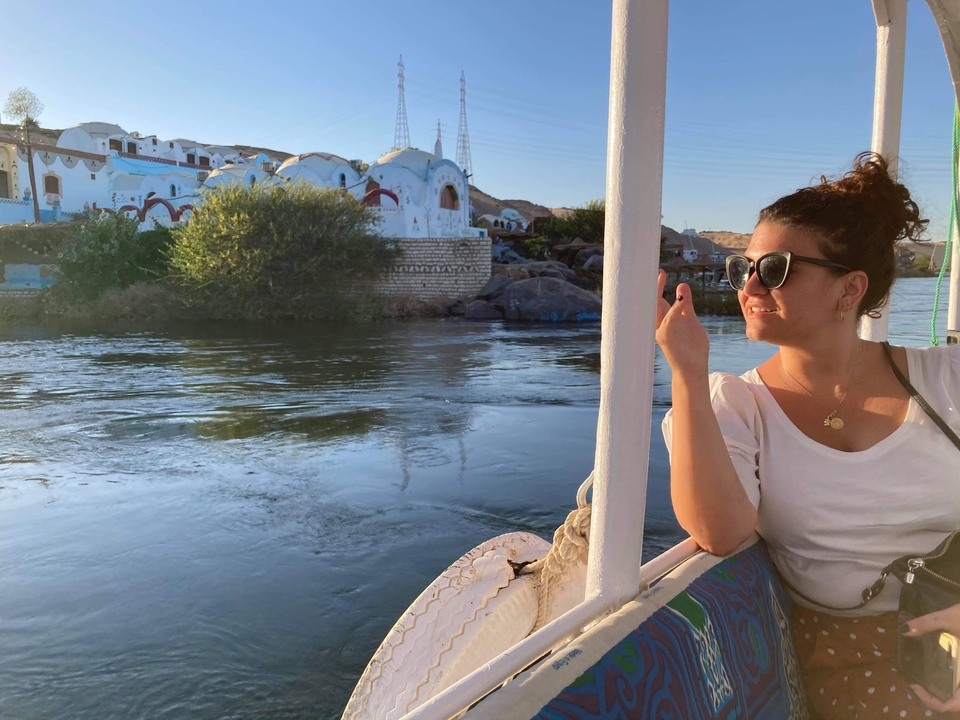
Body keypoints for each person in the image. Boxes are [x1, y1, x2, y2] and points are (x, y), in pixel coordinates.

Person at [657, 152, 960, 719]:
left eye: (773, 269)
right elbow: (719, 531)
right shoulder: (736, 404)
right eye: (741, 268)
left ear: (850, 290)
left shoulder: (947, 380)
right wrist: (687, 374)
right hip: (848, 663)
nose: (749, 285)